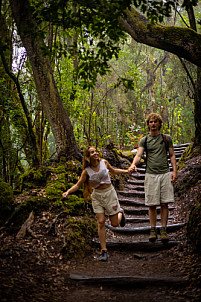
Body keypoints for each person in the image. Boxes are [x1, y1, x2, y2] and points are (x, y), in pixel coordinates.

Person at [62, 146, 131, 261]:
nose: (95, 153)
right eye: (92, 152)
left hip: (109, 194)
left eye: (96, 151)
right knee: (101, 222)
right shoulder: (86, 171)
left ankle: (120, 213)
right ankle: (103, 250)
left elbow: (113, 171)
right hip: (97, 196)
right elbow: (78, 185)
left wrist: (127, 171)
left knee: (114, 224)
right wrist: (68, 192)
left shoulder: (104, 163)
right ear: (88, 157)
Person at [128, 113, 178, 243]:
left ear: (159, 123)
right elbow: (139, 155)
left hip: (165, 173)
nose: (153, 124)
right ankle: (152, 229)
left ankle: (164, 230)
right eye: (151, 122)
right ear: (148, 124)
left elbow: (172, 155)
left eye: (155, 121)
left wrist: (174, 171)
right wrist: (133, 165)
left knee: (164, 203)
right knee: (152, 204)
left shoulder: (166, 138)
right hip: (150, 174)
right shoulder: (144, 140)